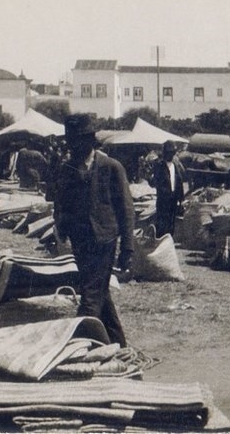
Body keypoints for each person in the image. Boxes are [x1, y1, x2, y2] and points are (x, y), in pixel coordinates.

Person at [53, 114, 134, 347]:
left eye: (78, 142)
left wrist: (127, 248)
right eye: (71, 142)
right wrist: (61, 231)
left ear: (90, 141)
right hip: (81, 241)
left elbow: (126, 210)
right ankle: (118, 346)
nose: (73, 147)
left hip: (104, 239)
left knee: (90, 296)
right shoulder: (67, 168)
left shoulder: (111, 167)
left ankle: (75, 345)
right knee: (100, 294)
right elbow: (61, 203)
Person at [150, 140, 185, 237]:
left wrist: (180, 199)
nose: (170, 155)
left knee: (171, 222)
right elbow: (156, 183)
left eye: (172, 153)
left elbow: (179, 182)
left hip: (173, 199)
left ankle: (169, 240)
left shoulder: (175, 165)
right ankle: (160, 241)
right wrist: (166, 194)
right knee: (162, 223)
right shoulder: (159, 166)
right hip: (163, 200)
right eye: (169, 153)